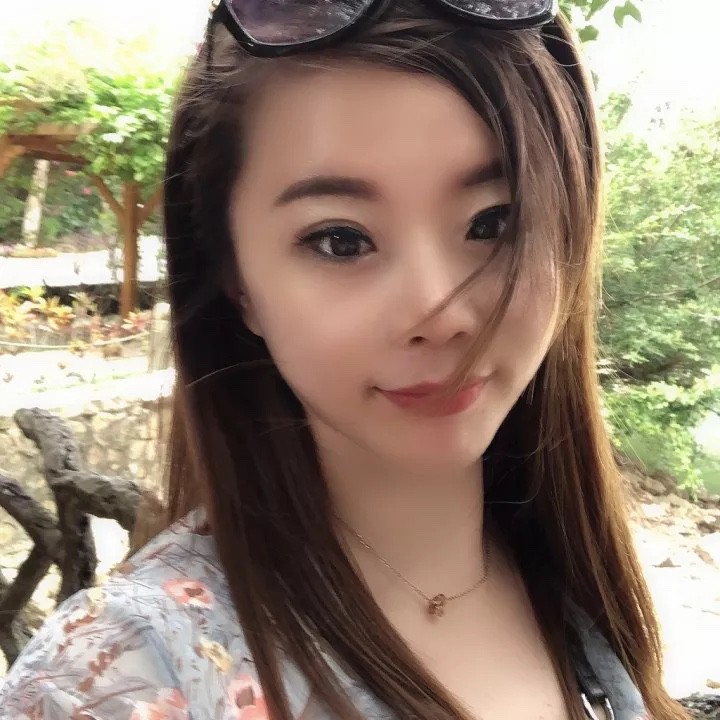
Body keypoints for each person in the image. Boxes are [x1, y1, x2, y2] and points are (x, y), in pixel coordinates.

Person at [0, 1, 689, 719]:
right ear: (239, 284)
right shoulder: (124, 677)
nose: (440, 314)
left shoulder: (573, 587)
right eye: (340, 240)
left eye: (495, 221)